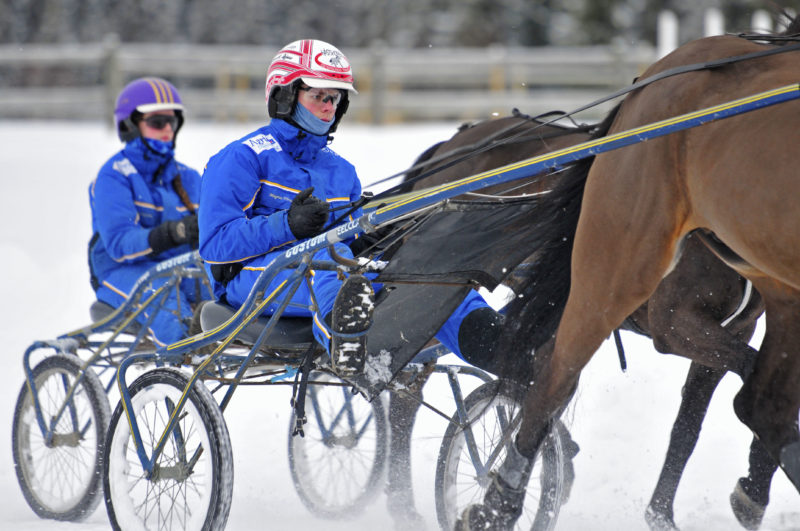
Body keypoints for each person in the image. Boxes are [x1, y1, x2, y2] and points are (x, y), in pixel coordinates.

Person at [199, 39, 501, 372]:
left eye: (334, 98)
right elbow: (214, 244)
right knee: (324, 261)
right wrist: (287, 225)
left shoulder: (341, 171)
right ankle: (345, 347)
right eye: (317, 96)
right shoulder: (242, 157)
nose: (328, 107)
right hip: (249, 282)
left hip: (333, 278)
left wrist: (379, 235)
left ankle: (504, 349)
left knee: (426, 272)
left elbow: (349, 238)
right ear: (285, 95)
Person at [88, 76, 207, 346]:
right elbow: (119, 244)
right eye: (156, 122)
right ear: (129, 125)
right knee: (166, 302)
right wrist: (175, 232)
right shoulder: (114, 176)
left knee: (220, 296)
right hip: (121, 271)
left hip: (178, 269)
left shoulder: (188, 177)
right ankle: (174, 379)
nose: (167, 129)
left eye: (172, 121)